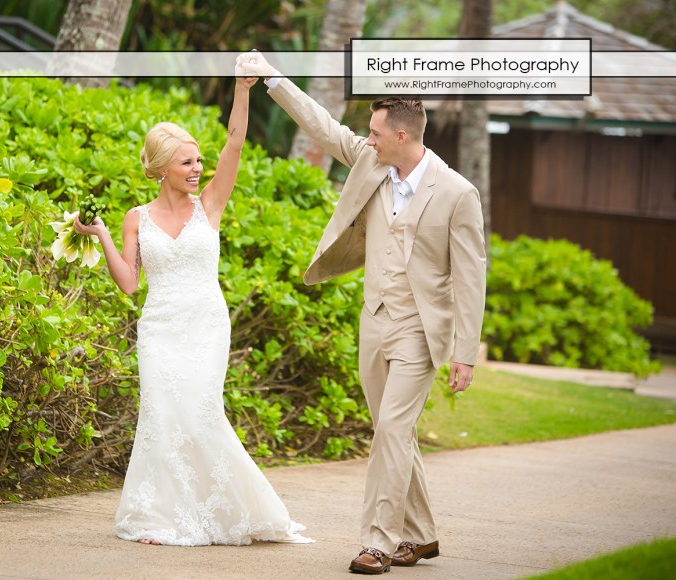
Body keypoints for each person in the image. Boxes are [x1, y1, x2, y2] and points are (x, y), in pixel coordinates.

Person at [237, 51, 486, 573]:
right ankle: (421, 536)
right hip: (375, 320)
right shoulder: (373, 162)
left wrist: (466, 352)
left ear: (403, 136)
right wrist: (273, 79)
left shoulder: (458, 194)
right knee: (392, 431)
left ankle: (379, 541)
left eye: (375, 132)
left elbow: (470, 277)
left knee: (392, 431)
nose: (367, 139)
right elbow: (324, 127)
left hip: (421, 330)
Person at [73, 75, 311, 547]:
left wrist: (242, 89)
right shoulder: (135, 219)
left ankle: (229, 510)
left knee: (200, 414)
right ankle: (161, 515)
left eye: (200, 160)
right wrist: (99, 234)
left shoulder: (210, 206)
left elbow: (235, 144)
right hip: (159, 328)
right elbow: (128, 284)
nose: (198, 168)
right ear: (163, 167)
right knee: (161, 416)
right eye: (188, 161)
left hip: (205, 324)